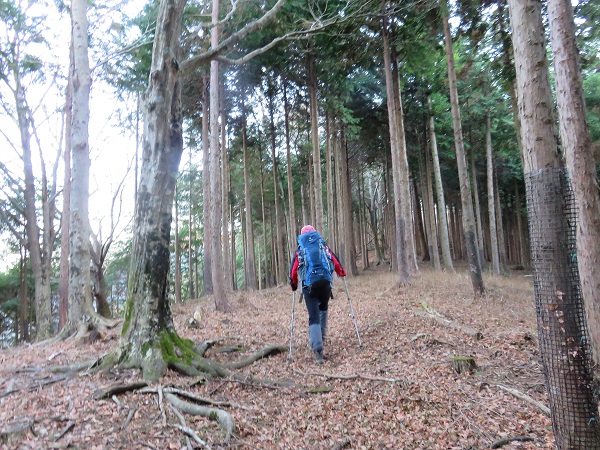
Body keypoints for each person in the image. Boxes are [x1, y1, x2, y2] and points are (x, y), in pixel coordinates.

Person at [289, 225, 346, 363]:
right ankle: (322, 337)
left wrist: (294, 285)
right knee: (323, 310)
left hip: (310, 287)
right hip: (325, 284)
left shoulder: (300, 251)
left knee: (313, 316)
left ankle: (318, 349)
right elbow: (335, 262)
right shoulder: (323, 247)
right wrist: (342, 273)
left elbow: (293, 271)